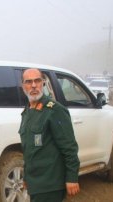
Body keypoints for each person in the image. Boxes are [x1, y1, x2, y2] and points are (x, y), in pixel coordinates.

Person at [19, 68, 80, 202]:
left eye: (37, 81)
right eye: (29, 82)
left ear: (43, 83)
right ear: (23, 86)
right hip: (36, 183)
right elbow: (29, 151)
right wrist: (26, 177)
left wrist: (72, 178)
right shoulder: (27, 112)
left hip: (50, 184)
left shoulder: (55, 110)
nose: (34, 85)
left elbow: (69, 147)